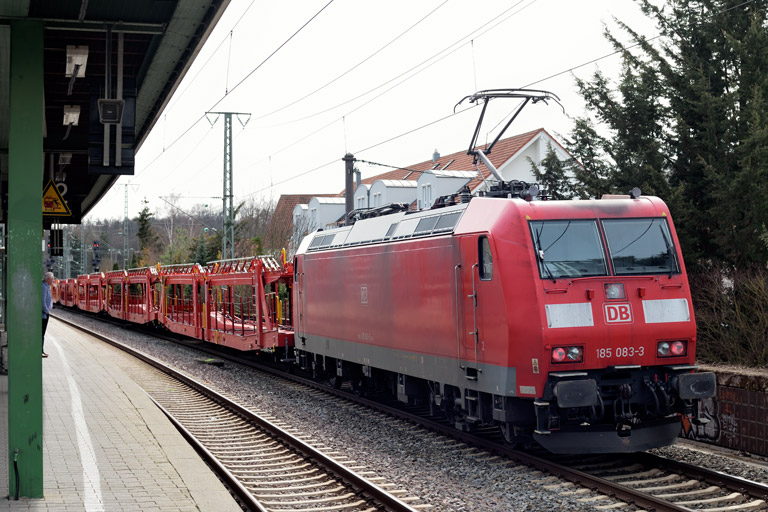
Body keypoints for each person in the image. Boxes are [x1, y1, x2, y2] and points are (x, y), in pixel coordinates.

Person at [42, 272, 54, 358]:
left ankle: (41, 350)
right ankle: (40, 351)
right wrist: (47, 311)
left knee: (42, 334)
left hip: (44, 314)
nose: (53, 280)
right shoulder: (44, 287)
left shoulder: (46, 286)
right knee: (41, 333)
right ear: (48, 279)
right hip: (43, 315)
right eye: (52, 279)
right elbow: (42, 302)